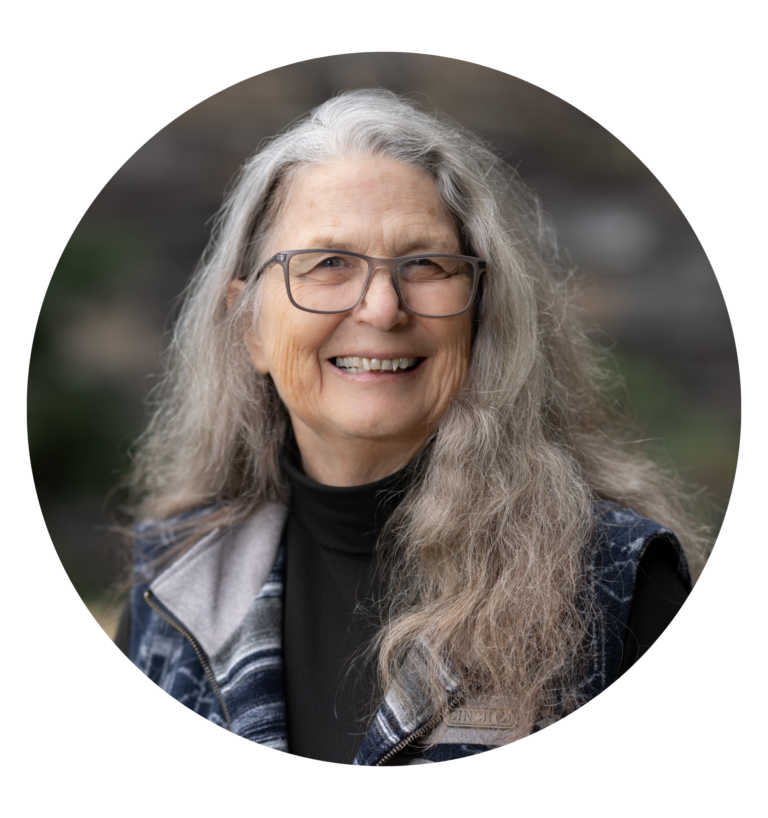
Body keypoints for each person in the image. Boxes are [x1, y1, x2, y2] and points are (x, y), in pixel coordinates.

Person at [116, 89, 702, 766]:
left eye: (425, 264)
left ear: (482, 312)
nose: (382, 308)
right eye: (329, 263)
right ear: (250, 327)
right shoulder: (172, 589)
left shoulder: (616, 587)